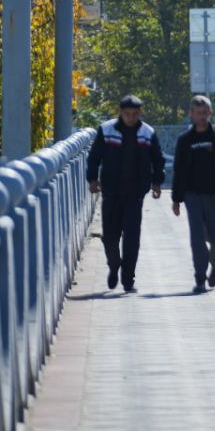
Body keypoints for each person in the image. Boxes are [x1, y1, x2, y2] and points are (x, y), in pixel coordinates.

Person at [86, 95, 166, 293]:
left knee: (132, 237)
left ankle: (128, 279)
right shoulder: (106, 130)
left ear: (139, 113)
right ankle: (114, 265)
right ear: (120, 112)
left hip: (135, 194)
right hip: (111, 192)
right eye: (127, 114)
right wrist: (93, 179)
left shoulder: (147, 133)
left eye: (135, 114)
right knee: (111, 236)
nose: (131, 117)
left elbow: (158, 160)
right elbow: (94, 157)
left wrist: (157, 183)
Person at [171, 95, 215, 294]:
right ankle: (200, 277)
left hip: (214, 194)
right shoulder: (185, 140)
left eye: (204, 113)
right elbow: (179, 169)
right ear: (191, 114)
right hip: (192, 195)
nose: (201, 117)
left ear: (210, 113)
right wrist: (176, 198)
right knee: (197, 236)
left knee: (214, 233)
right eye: (197, 113)